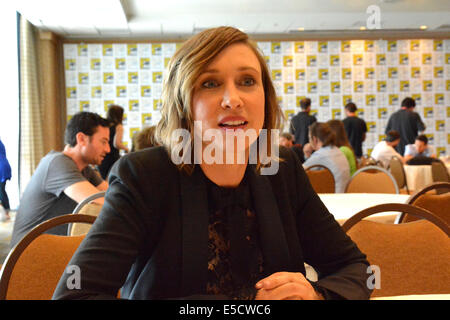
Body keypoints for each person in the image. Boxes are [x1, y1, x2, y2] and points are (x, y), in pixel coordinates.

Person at [53, 27, 372, 300]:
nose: (233, 99)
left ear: (266, 97)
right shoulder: (145, 176)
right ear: (183, 103)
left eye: (247, 81)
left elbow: (355, 268)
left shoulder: (281, 168)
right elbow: (76, 293)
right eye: (210, 83)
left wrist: (316, 294)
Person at [10, 112, 110, 248]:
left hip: (52, 249)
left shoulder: (85, 170)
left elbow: (112, 193)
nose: (108, 149)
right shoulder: (56, 163)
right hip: (28, 257)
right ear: (81, 139)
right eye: (103, 142)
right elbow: (99, 201)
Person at [303, 122, 351, 193]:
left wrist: (306, 153)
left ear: (314, 139)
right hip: (344, 195)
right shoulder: (337, 150)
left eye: (309, 138)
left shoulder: (320, 155)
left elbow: (299, 172)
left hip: (332, 198)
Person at [98, 105, 129, 179]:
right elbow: (117, 144)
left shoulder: (104, 126)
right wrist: (127, 149)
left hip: (102, 157)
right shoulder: (118, 126)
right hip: (112, 157)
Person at [0, 137, 12, 222]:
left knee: (1, 190)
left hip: (2, 167)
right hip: (4, 166)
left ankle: (6, 212)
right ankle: (6, 211)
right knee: (1, 190)